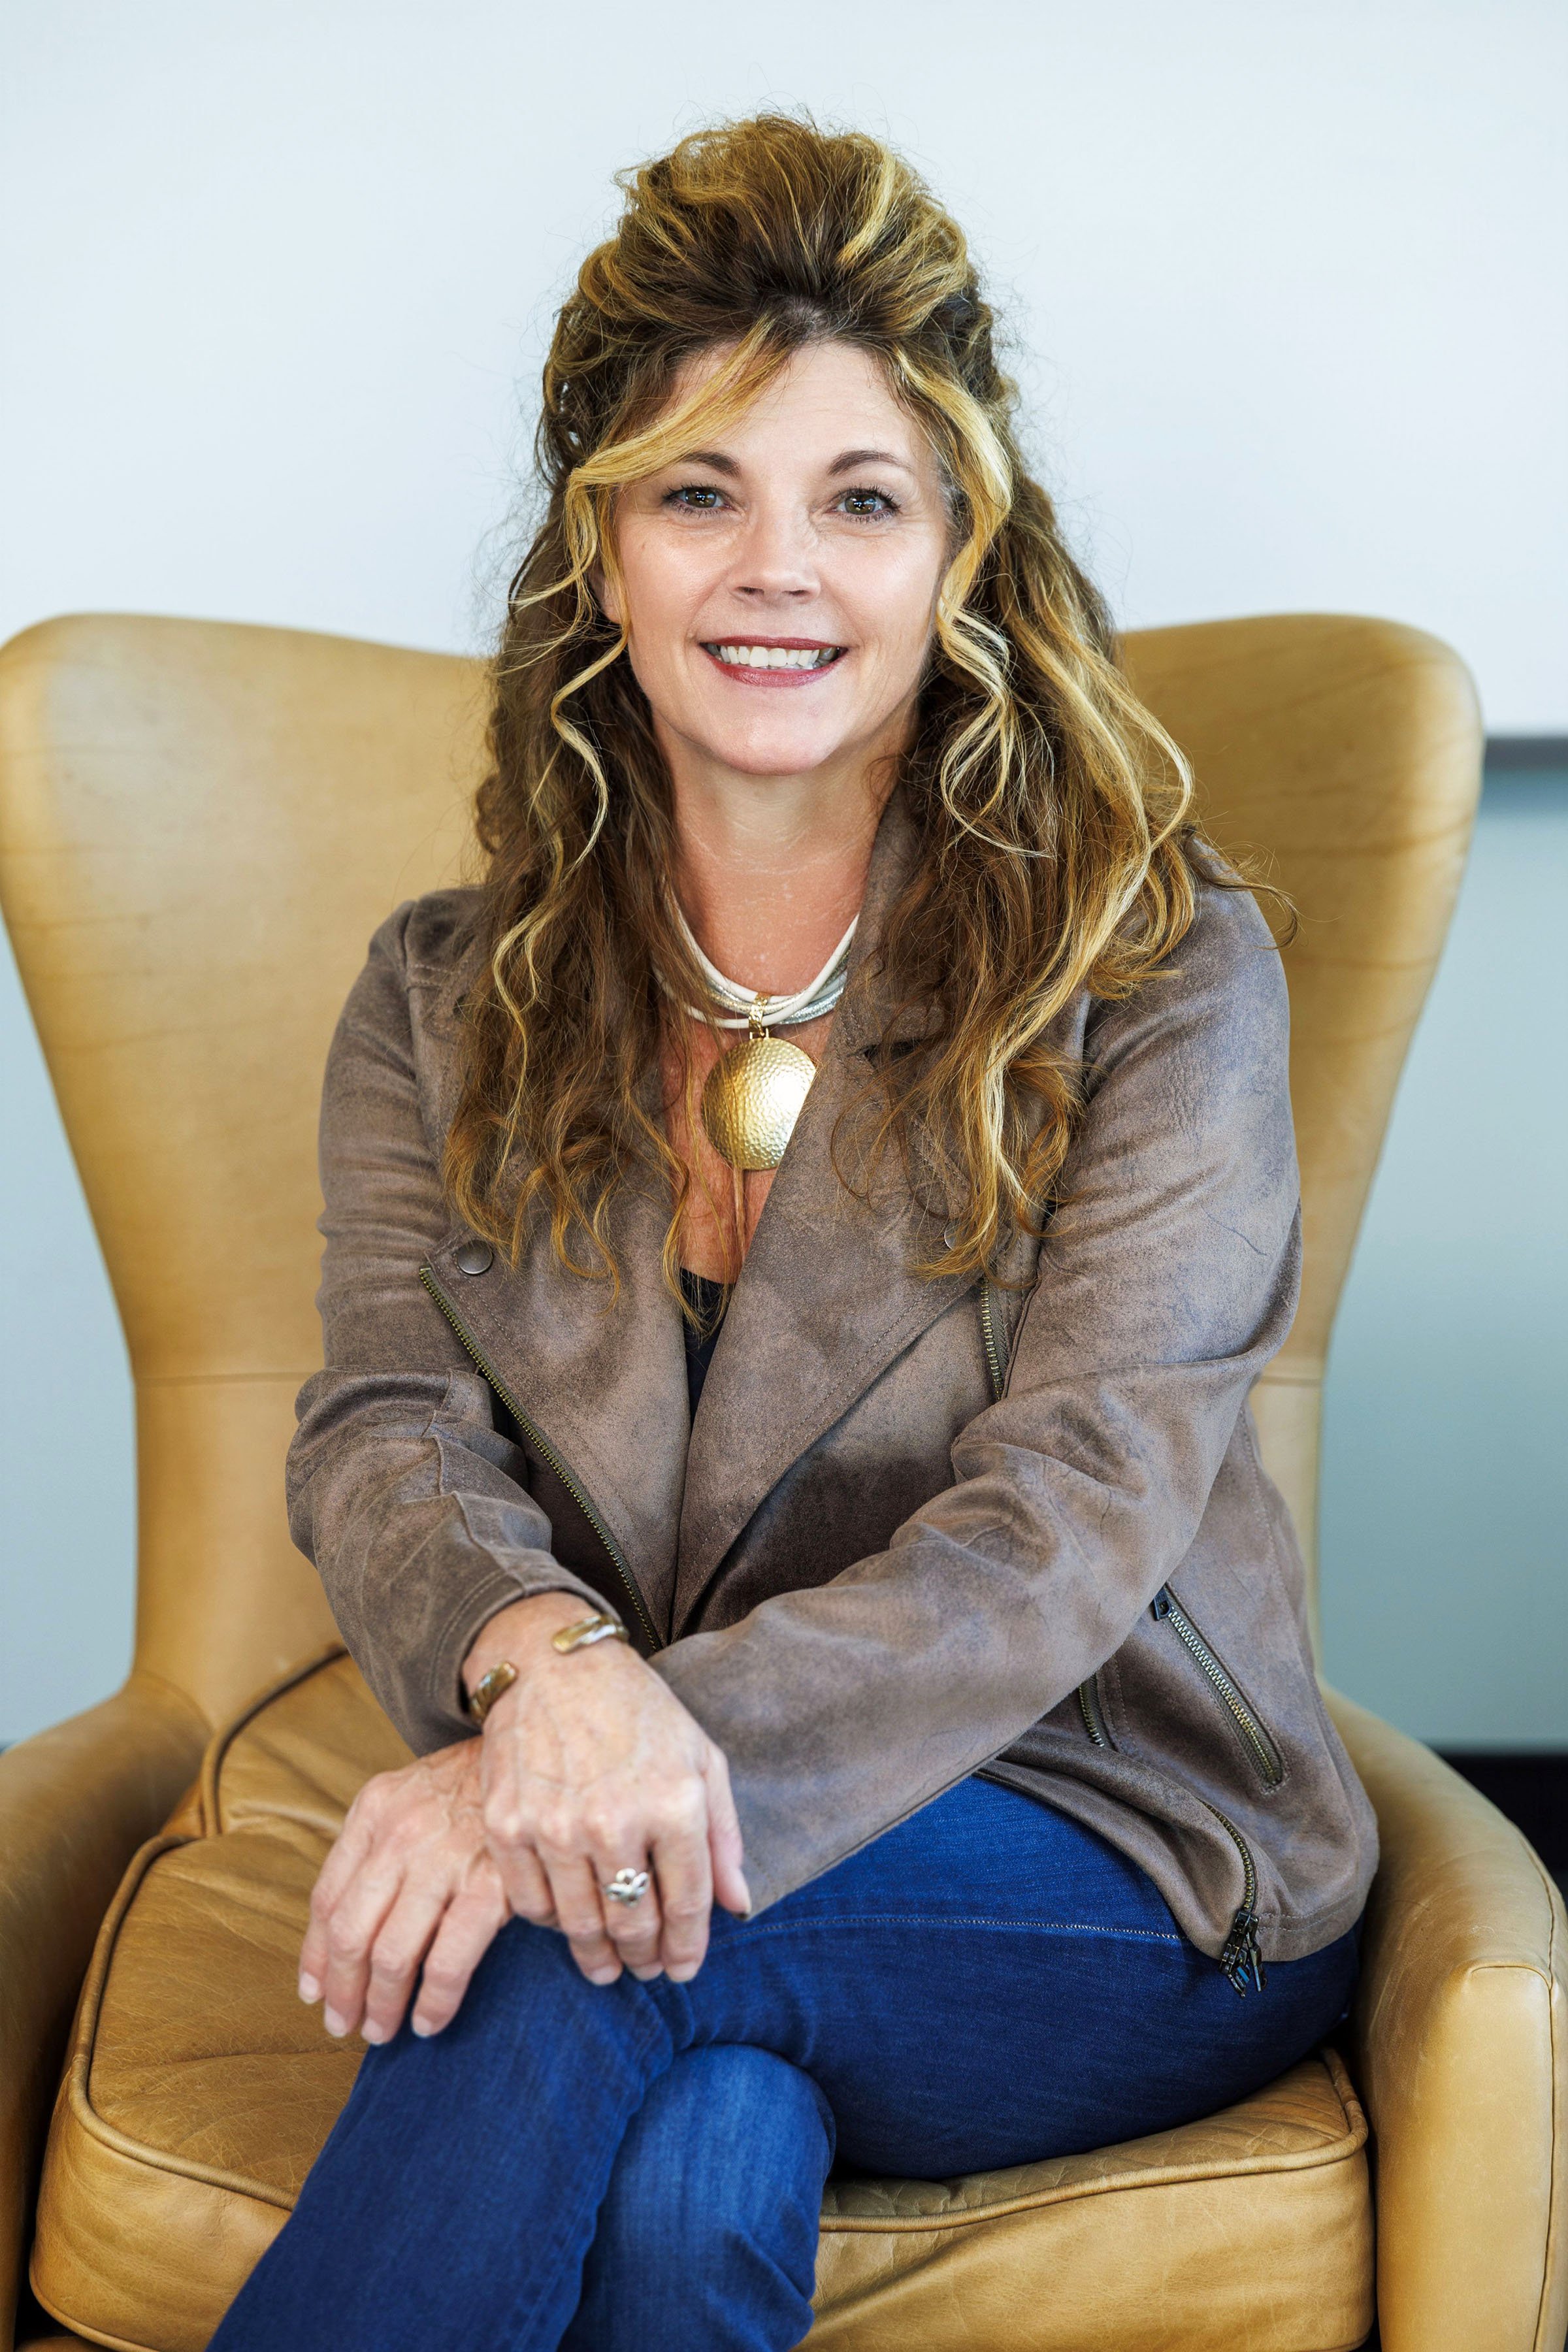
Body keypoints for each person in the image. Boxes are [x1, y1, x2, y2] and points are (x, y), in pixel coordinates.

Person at [210, 113, 1377, 2352]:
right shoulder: (442, 998)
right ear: (602, 555)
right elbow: (385, 1432)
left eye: (858, 501)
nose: (778, 571)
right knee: (689, 2177)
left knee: (571, 1918)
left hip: (1117, 1840)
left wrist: (590, 1763)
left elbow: (1069, 1519)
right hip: (675, 1854)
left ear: (959, 554)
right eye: (698, 495)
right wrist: (543, 1678)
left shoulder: (1157, 972)